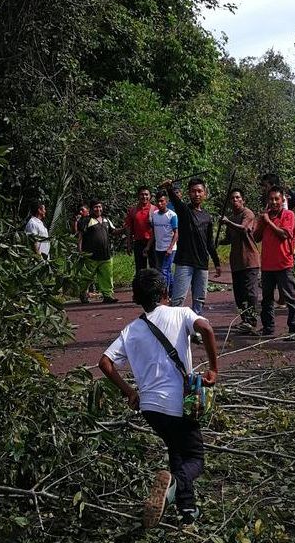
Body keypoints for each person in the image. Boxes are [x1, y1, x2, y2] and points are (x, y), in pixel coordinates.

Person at [98, 269, 218, 528]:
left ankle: (187, 510)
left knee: (176, 451)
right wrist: (213, 368)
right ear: (165, 292)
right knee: (196, 458)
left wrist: (129, 392)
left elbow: (104, 363)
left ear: (136, 298)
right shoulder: (181, 313)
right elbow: (206, 328)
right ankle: (173, 486)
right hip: (177, 405)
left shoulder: (131, 331)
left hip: (150, 409)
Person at [162, 178, 221, 328]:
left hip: (202, 264)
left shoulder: (207, 217)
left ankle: (197, 329)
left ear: (205, 194)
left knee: (199, 300)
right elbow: (176, 202)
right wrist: (169, 188)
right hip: (184, 262)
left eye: (200, 191)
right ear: (188, 193)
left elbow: (210, 243)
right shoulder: (184, 211)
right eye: (193, 191)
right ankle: (174, 329)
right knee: (178, 299)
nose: (197, 194)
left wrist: (217, 263)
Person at [253, 186, 295, 337]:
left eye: (276, 199)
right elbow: (256, 238)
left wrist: (268, 221)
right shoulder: (266, 217)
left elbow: (284, 235)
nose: (274, 202)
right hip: (267, 265)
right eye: (271, 199)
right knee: (267, 299)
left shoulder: (289, 215)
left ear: (282, 200)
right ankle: (268, 327)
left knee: (290, 297)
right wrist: (262, 221)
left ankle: (294, 329)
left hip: (284, 263)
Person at [219, 188, 260, 334]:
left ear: (243, 200)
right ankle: (245, 320)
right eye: (232, 198)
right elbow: (229, 239)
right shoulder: (232, 217)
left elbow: (243, 229)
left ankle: (252, 321)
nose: (235, 200)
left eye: (237, 198)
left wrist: (227, 222)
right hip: (236, 262)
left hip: (250, 261)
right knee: (239, 294)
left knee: (250, 293)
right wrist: (216, 242)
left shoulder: (247, 214)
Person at [78, 200, 120, 304]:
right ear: (91, 209)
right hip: (90, 255)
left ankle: (107, 295)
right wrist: (80, 251)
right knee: (87, 277)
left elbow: (113, 231)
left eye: (100, 207)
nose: (98, 209)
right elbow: (80, 236)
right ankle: (83, 293)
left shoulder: (106, 220)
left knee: (107, 276)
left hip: (105, 255)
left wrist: (125, 228)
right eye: (96, 207)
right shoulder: (86, 220)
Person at [147, 190, 178, 296]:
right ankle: (172, 292)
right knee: (166, 271)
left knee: (163, 271)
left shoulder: (172, 215)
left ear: (166, 201)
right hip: (158, 248)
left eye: (162, 201)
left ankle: (163, 294)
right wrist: (148, 247)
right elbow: (153, 233)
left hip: (169, 249)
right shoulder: (154, 215)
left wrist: (170, 247)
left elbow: (176, 234)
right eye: (157, 201)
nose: (159, 204)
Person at [125, 186, 157, 274]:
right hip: (138, 243)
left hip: (153, 243)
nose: (144, 197)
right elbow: (128, 228)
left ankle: (155, 287)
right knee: (140, 269)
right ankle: (140, 287)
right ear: (138, 196)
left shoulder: (155, 210)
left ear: (150, 196)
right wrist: (128, 243)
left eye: (146, 194)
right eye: (142, 194)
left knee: (154, 268)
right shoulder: (133, 210)